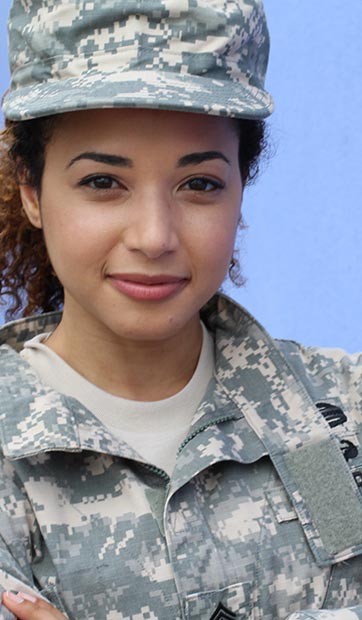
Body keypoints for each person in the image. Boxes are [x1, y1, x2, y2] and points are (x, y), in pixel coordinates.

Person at [0, 1, 361, 619]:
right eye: (102, 182)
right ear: (32, 191)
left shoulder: (346, 413)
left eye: (199, 184)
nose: (153, 236)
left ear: (241, 188)